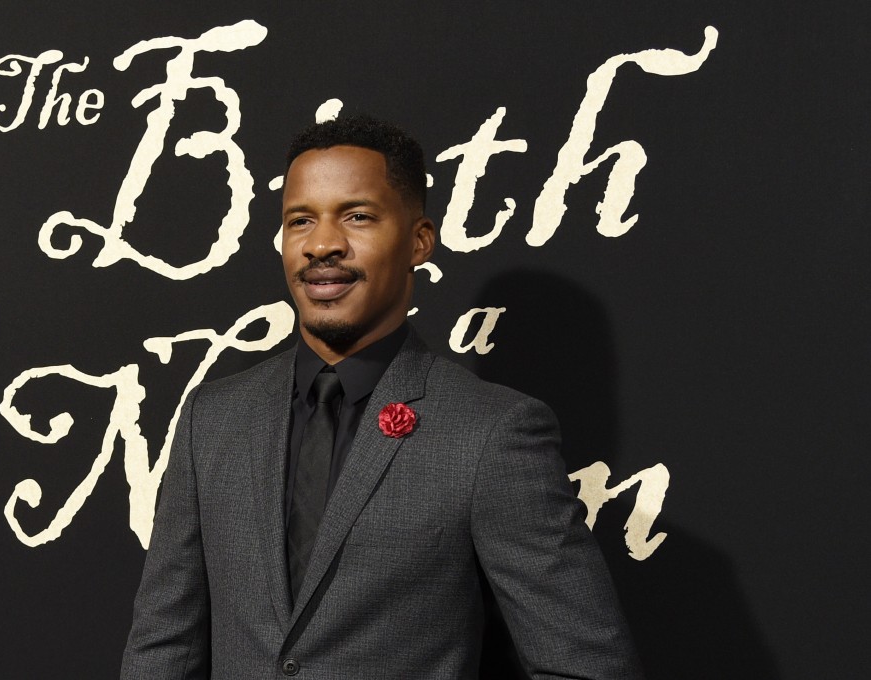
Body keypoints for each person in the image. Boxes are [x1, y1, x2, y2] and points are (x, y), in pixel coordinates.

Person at [120, 115, 643, 679]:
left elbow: (587, 667)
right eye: (300, 221)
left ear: (419, 240)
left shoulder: (491, 433)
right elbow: (162, 648)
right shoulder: (212, 419)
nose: (322, 244)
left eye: (358, 216)